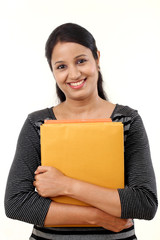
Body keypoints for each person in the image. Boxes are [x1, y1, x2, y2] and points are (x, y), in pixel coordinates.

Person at [5, 23, 158, 240]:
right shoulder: (38, 123)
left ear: (97, 58)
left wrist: (66, 185)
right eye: (61, 66)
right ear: (53, 71)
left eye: (81, 61)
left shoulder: (127, 121)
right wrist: (97, 217)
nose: (74, 74)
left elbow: (144, 203)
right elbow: (17, 203)